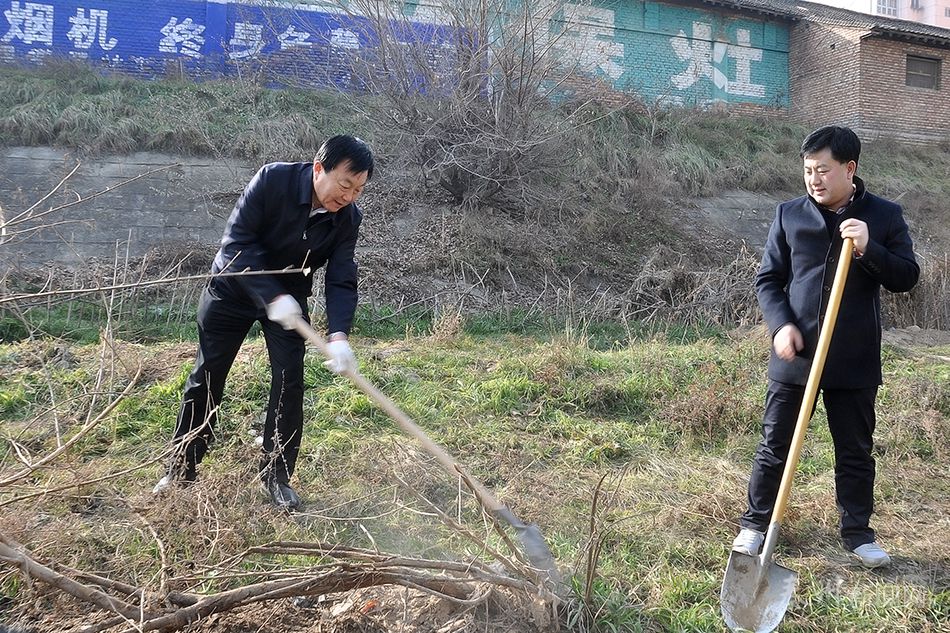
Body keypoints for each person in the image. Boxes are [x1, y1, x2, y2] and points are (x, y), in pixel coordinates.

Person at [153, 135, 374, 510]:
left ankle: (277, 477)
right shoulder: (273, 180)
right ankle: (180, 470)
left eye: (358, 189)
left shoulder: (347, 218)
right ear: (319, 169)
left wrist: (339, 335)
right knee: (208, 375)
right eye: (345, 184)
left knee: (290, 381)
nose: (349, 196)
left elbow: (341, 277)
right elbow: (236, 243)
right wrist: (270, 295)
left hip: (289, 297)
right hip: (233, 288)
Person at [732, 126, 919, 568]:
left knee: (854, 450)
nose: (814, 180)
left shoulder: (884, 216)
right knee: (775, 444)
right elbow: (768, 280)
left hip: (853, 356)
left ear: (849, 169)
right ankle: (755, 526)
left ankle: (858, 534)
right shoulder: (789, 215)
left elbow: (906, 277)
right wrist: (781, 326)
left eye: (823, 170)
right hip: (796, 355)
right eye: (808, 171)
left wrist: (869, 248)